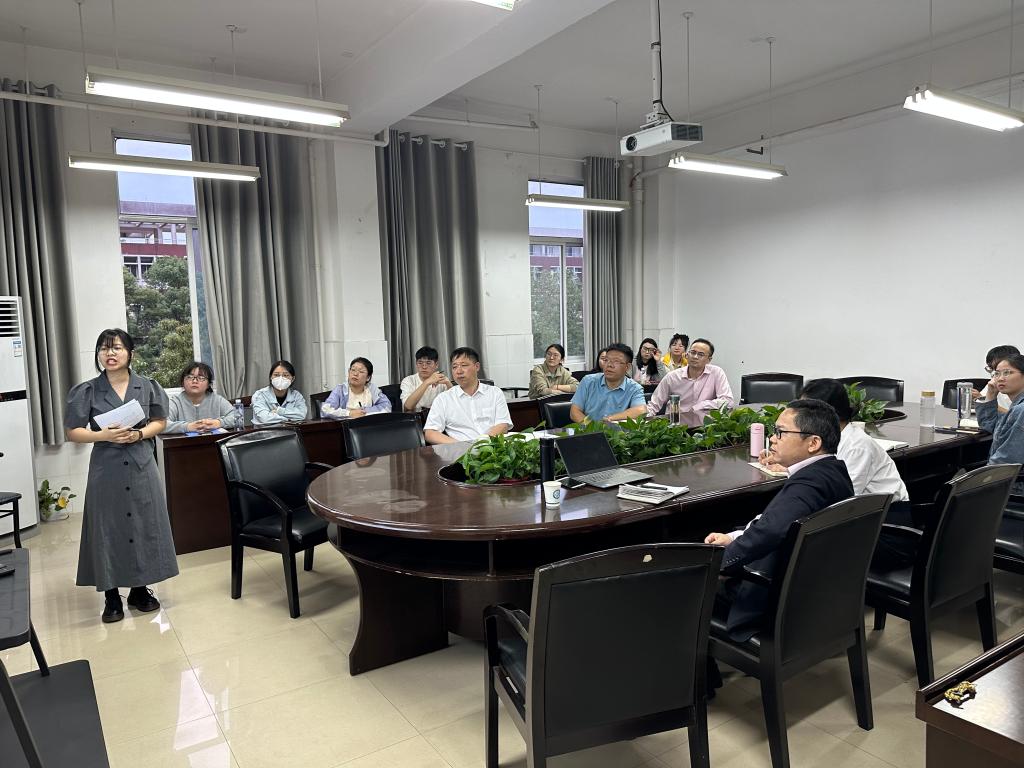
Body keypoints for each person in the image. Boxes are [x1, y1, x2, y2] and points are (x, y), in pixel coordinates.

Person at [704, 399, 854, 640]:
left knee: (679, 586)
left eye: (781, 433)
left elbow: (771, 531)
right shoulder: (833, 471)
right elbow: (773, 523)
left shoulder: (809, 484)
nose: (772, 439)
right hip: (815, 591)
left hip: (774, 600)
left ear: (813, 443)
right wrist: (734, 538)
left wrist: (718, 565)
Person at [64, 329, 179, 623]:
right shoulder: (87, 390)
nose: (110, 354)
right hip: (107, 469)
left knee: (143, 524)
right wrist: (102, 435)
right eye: (104, 349)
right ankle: (111, 595)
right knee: (107, 528)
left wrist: (139, 434)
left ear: (130, 353)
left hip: (141, 465)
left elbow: (160, 421)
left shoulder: (147, 386)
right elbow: (73, 432)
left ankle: (140, 589)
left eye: (116, 348)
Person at [760, 378, 911, 522]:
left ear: (826, 412)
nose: (798, 414)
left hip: (886, 520)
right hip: (859, 517)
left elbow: (842, 500)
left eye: (805, 408)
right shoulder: (829, 438)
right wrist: (789, 462)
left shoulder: (857, 446)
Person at [424, 347, 512, 443]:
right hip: (461, 450)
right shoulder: (443, 399)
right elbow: (430, 433)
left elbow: (503, 425)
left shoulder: (495, 393)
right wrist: (462, 446)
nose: (459, 371)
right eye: (454, 367)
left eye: (464, 365)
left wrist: (483, 444)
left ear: (477, 366)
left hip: (492, 447)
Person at [647, 338, 734, 427]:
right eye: (693, 352)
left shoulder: (716, 373)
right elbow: (654, 404)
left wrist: (702, 405)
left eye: (700, 354)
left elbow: (728, 401)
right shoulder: (672, 377)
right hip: (677, 426)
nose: (695, 357)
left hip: (705, 426)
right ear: (687, 355)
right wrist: (643, 423)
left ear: (709, 359)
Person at [976, 352, 1024, 496]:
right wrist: (991, 394)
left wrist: (979, 481)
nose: (1001, 378)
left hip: (1014, 489)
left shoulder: (1021, 410)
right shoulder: (1017, 407)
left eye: (1007, 373)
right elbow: (991, 426)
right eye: (997, 373)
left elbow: (1007, 460)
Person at [570, 342, 647, 423]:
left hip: (617, 430)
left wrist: (610, 419)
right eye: (606, 360)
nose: (609, 365)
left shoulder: (634, 388)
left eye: (616, 361)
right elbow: (574, 411)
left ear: (627, 367)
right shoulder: (588, 381)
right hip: (588, 429)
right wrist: (592, 427)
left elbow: (641, 410)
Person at [165, 361, 241, 433]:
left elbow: (238, 418)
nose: (195, 381)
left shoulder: (217, 400)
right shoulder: (175, 402)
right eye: (190, 377)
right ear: (182, 382)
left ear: (208, 384)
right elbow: (162, 425)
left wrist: (219, 423)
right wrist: (188, 427)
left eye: (201, 378)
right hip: (183, 442)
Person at [323, 357, 392, 418]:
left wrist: (363, 412)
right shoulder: (340, 389)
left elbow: (387, 407)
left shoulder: (371, 389)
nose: (355, 374)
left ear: (368, 377)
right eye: (353, 370)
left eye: (361, 371)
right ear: (349, 372)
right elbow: (325, 410)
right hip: (346, 426)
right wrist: (349, 413)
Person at [251, 360, 308, 425]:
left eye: (285, 375)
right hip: (266, 431)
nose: (280, 379)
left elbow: (302, 415)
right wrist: (289, 419)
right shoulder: (259, 395)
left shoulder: (296, 395)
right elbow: (265, 418)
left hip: (290, 431)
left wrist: (279, 411)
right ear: (271, 377)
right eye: (276, 375)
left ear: (292, 379)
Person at [400, 346, 451, 412]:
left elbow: (454, 406)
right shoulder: (408, 381)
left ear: (436, 365)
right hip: (416, 417)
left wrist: (449, 384)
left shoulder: (442, 381)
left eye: (428, 363)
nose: (424, 367)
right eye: (420, 363)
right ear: (416, 364)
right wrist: (427, 382)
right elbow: (408, 407)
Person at [974, 344, 1020, 412]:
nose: (994, 374)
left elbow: (1017, 415)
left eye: (1005, 372)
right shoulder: (994, 383)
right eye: (991, 368)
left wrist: (985, 402)